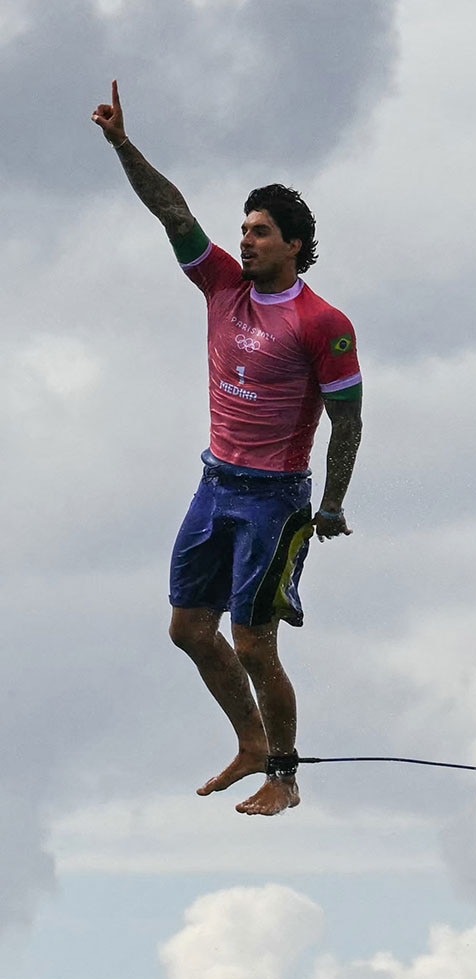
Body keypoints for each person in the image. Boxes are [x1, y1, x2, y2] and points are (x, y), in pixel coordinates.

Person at [91, 80, 363, 817]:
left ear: (295, 246)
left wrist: (332, 503)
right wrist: (122, 144)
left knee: (253, 643)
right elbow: (171, 210)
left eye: (261, 232)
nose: (245, 239)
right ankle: (249, 741)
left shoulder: (322, 322)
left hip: (275, 501)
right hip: (215, 484)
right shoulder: (221, 286)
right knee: (188, 628)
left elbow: (348, 420)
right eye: (243, 229)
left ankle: (285, 774)